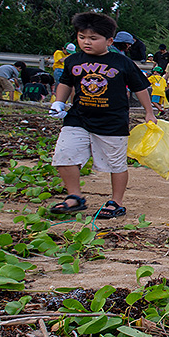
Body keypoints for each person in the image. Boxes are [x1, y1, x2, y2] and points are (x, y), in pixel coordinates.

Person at [48, 12, 155, 219]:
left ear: (109, 41)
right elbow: (66, 83)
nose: (86, 42)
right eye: (81, 37)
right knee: (64, 154)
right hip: (78, 117)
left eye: (93, 38)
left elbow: (140, 87)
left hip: (112, 121)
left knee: (116, 163)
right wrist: (59, 102)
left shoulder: (121, 62)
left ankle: (116, 201)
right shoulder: (72, 61)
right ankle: (74, 197)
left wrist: (149, 112)